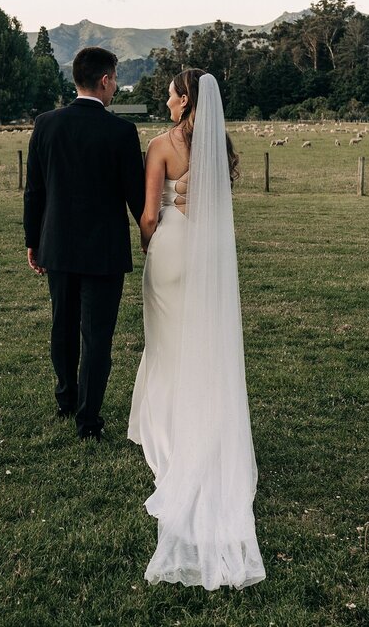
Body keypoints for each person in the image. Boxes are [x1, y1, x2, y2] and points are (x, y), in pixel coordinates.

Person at [128, 69, 265, 589]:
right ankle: (203, 429)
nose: (165, 100)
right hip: (204, 255)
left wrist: (149, 243)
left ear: (185, 101)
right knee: (198, 349)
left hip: (169, 253)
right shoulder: (219, 146)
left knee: (164, 347)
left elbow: (147, 215)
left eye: (170, 93)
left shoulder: (161, 145)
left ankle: (164, 434)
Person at [23, 47, 146, 441]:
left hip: (56, 246)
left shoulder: (45, 124)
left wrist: (32, 241)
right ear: (106, 80)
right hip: (104, 253)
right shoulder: (122, 132)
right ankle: (88, 419)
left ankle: (66, 398)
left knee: (63, 325)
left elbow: (34, 191)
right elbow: (137, 198)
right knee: (97, 336)